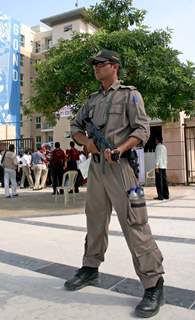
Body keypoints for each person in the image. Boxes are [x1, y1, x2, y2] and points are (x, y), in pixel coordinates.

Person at [64, 49, 164, 318]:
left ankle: (154, 283)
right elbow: (75, 126)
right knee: (94, 219)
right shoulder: (92, 99)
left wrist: (120, 149)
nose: (95, 67)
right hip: (97, 170)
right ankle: (90, 268)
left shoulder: (131, 94)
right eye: (94, 64)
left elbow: (142, 130)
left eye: (100, 64)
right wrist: (89, 144)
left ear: (114, 66)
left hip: (121, 169)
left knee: (135, 222)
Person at [154, 136, 169, 200]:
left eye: (156, 139)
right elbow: (165, 157)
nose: (155, 141)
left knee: (159, 181)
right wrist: (165, 165)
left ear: (157, 140)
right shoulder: (164, 147)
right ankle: (166, 195)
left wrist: (156, 166)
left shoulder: (158, 147)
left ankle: (160, 196)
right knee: (164, 181)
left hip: (159, 166)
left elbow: (158, 157)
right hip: (164, 166)